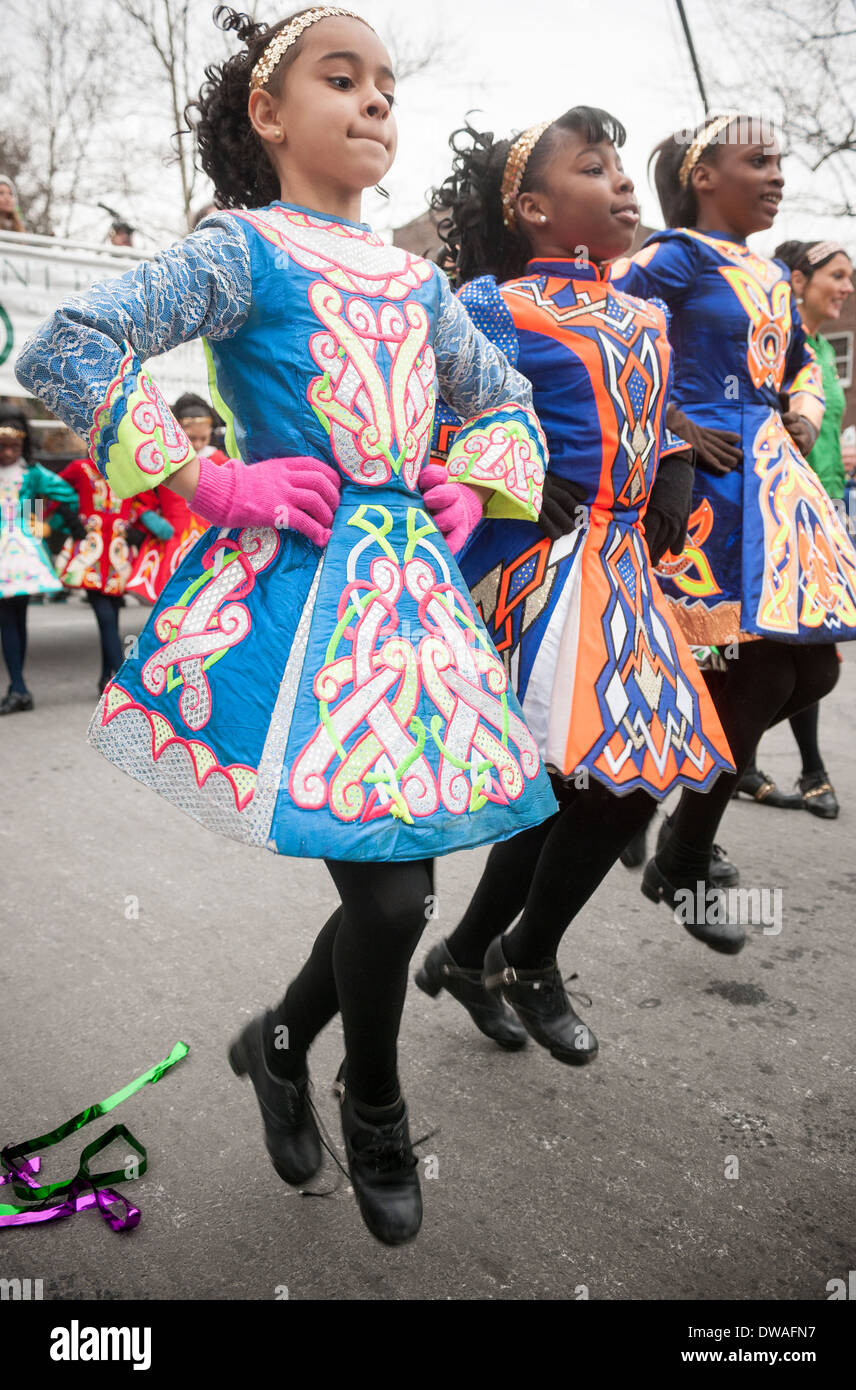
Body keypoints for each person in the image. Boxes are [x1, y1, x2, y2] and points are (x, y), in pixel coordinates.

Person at [15, 5, 557, 1248]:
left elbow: (503, 399)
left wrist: (470, 481)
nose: (374, 101)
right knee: (389, 902)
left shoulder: (422, 283)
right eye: (340, 77)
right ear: (268, 115)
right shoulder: (240, 250)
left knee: (401, 891)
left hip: (414, 612)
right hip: (292, 611)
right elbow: (72, 342)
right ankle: (371, 1098)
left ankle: (276, 1043)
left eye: (385, 84)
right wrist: (212, 481)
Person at [414, 107, 737, 1066]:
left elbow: (655, 409)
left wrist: (673, 472)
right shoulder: (490, 306)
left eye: (625, 167)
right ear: (534, 208)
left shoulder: (645, 312)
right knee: (604, 777)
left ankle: (478, 955)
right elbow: (440, 418)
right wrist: (514, 476)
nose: (625, 184)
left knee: (620, 778)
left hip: (631, 568)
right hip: (545, 570)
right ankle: (527, 957)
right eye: (596, 168)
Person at [608, 114, 856, 912]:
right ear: (703, 177)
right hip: (707, 495)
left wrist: (801, 408)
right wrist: (677, 425)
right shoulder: (671, 257)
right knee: (745, 670)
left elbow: (799, 366)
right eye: (759, 160)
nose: (779, 174)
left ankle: (658, 813)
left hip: (777, 495)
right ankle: (675, 841)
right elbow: (611, 335)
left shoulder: (771, 278)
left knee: (814, 666)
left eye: (782, 160)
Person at [737, 240, 855, 819]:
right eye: (838, 276)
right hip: (776, 509)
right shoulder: (769, 336)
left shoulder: (822, 358)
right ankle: (801, 768)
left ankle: (743, 764)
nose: (848, 288)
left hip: (826, 504)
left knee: (809, 651)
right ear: (801, 280)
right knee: (786, 647)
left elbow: (825, 426)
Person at [51, 456, 173, 690]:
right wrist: (50, 526)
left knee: (112, 619)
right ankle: (122, 679)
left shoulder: (131, 471)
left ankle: (105, 679)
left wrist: (139, 531)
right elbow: (47, 492)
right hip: (90, 554)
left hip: (119, 558)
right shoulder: (81, 468)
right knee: (106, 618)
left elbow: (145, 503)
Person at [0, 407, 79, 712]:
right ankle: (18, 686)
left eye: (14, 447)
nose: (7, 453)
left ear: (23, 446)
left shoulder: (30, 474)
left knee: (13, 618)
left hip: (20, 552)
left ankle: (18, 687)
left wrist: (44, 523)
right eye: (2, 447)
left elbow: (66, 494)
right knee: (12, 619)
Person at [126, 393, 225, 604]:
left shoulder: (220, 460)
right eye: (192, 438)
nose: (198, 444)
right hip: (170, 536)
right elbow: (141, 496)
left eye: (203, 439)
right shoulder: (162, 458)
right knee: (171, 600)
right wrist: (149, 516)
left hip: (210, 535)